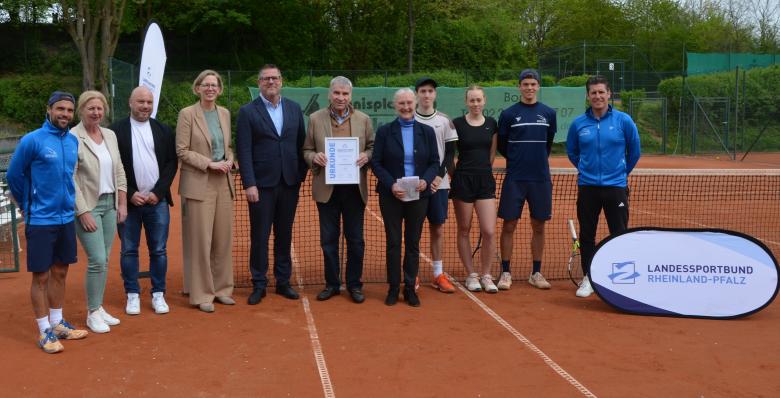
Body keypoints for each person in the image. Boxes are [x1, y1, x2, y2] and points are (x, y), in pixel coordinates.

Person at [7, 91, 88, 353]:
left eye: (68, 110)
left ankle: (57, 323)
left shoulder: (73, 141)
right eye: (60, 109)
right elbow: (14, 175)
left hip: (65, 217)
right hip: (40, 219)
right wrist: (26, 203)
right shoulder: (33, 140)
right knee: (41, 276)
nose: (65, 114)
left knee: (61, 272)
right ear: (49, 109)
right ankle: (44, 331)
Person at [236, 64, 307, 305]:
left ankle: (283, 281)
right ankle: (258, 282)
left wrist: (300, 175)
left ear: (281, 81)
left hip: (289, 182)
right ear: (259, 83)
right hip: (261, 185)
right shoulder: (247, 112)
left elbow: (301, 144)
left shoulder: (295, 109)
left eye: (274, 78)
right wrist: (249, 183)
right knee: (260, 235)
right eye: (266, 79)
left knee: (284, 234)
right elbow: (243, 151)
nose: (270, 82)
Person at [566, 75, 641, 297]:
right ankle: (588, 278)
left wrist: (621, 173)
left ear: (609, 94)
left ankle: (620, 280)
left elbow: (634, 151)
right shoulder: (579, 124)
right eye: (593, 93)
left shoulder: (623, 121)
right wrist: (585, 169)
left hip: (616, 187)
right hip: (587, 187)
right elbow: (572, 152)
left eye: (601, 92)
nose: (597, 96)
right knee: (587, 234)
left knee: (619, 234)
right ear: (588, 96)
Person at [303, 76, 374, 304]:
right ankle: (332, 284)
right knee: (328, 240)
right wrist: (315, 157)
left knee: (355, 240)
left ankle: (354, 284)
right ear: (329, 94)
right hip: (327, 189)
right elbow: (306, 149)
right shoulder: (315, 119)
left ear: (350, 96)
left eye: (345, 94)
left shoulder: (363, 119)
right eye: (337, 93)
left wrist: (367, 156)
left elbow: (373, 147)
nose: (341, 98)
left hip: (355, 190)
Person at [111, 86, 178, 315]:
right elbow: (112, 166)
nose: (145, 106)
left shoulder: (163, 130)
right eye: (140, 102)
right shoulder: (115, 131)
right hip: (128, 202)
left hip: (156, 202)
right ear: (130, 103)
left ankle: (158, 294)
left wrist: (157, 193)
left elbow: (171, 163)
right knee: (129, 250)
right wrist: (129, 193)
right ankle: (132, 294)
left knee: (158, 250)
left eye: (149, 102)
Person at [371, 88, 439, 307]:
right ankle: (392, 288)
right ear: (395, 106)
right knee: (393, 242)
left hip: (419, 195)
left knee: (412, 243)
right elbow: (377, 163)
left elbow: (435, 163)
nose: (406, 107)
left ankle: (410, 288)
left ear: (416, 103)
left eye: (409, 103)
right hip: (391, 195)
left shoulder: (427, 132)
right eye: (401, 104)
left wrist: (426, 181)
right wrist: (391, 184)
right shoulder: (384, 132)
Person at [176, 70, 235, 313]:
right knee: (201, 240)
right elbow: (182, 150)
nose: (210, 88)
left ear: (219, 90)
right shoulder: (187, 114)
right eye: (205, 84)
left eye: (214, 85)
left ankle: (222, 289)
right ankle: (201, 293)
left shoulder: (225, 113)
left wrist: (230, 159)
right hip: (199, 182)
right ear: (197, 88)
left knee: (222, 239)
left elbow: (227, 146)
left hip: (223, 181)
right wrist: (209, 163)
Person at [72, 90, 128, 333]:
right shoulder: (73, 137)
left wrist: (122, 202)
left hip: (110, 204)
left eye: (99, 108)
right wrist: (82, 211)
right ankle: (92, 312)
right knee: (96, 260)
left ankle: (98, 306)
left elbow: (119, 170)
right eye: (90, 108)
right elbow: (70, 178)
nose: (96, 112)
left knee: (104, 259)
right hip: (89, 207)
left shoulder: (110, 135)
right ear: (81, 110)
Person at [497, 69, 557, 291]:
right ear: (519, 87)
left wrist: (536, 160)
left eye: (533, 84)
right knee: (509, 224)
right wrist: (516, 159)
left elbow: (548, 144)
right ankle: (505, 272)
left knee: (539, 225)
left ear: (538, 86)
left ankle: (536, 272)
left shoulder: (549, 114)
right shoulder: (508, 114)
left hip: (540, 178)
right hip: (515, 178)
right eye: (525, 84)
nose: (529, 88)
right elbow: (503, 144)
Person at [451, 86, 499, 293]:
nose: (476, 104)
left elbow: (491, 153)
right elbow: (449, 156)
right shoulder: (457, 124)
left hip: (485, 181)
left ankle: (486, 275)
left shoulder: (491, 124)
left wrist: (482, 171)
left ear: (484, 100)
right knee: (464, 229)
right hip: (463, 181)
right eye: (472, 100)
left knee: (489, 231)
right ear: (466, 102)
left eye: (479, 100)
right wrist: (458, 176)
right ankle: (471, 274)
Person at [414, 77, 458, 294]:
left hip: (439, 185)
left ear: (435, 94)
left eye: (430, 91)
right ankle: (411, 273)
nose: (427, 95)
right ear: (417, 94)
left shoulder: (444, 120)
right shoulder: (408, 118)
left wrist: (439, 177)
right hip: (415, 185)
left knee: (437, 228)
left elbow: (450, 153)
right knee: (414, 229)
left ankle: (438, 274)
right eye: (423, 91)